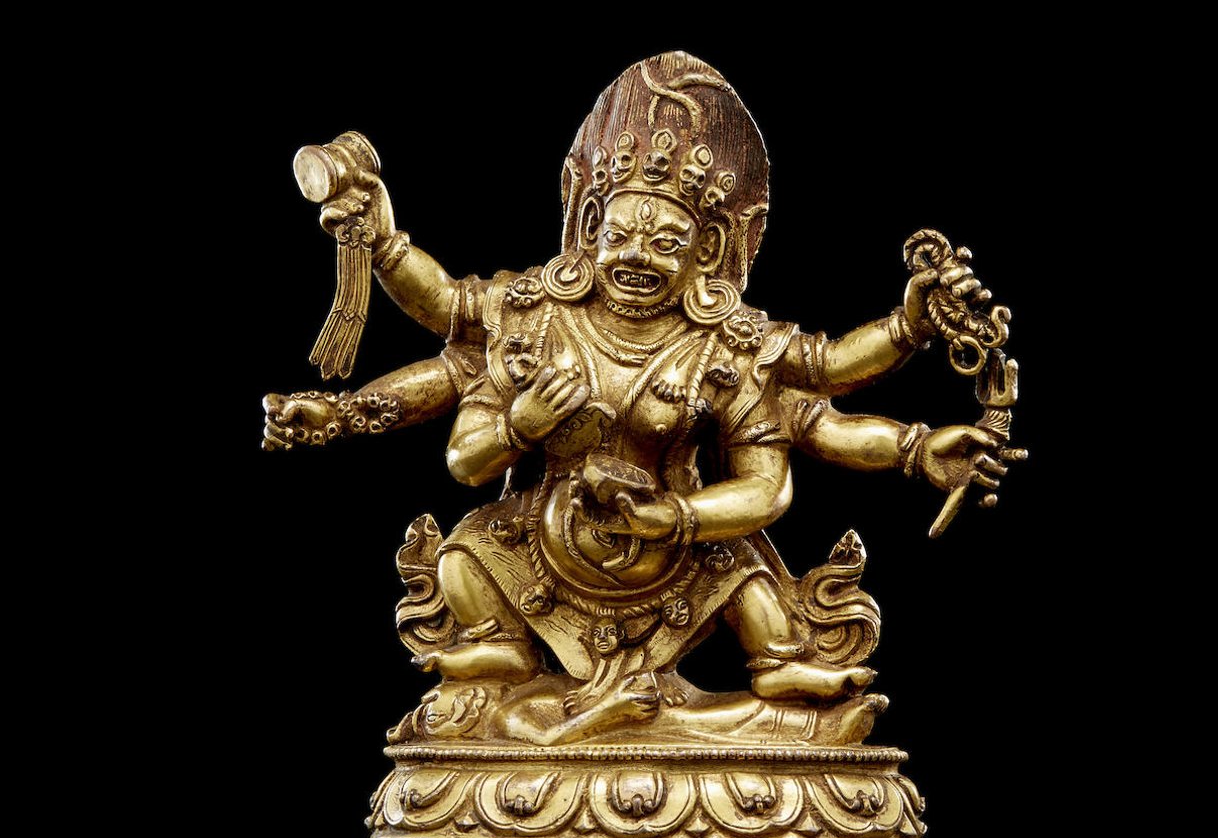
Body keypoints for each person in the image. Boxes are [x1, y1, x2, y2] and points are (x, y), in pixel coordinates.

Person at [263, 52, 1015, 745]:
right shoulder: (537, 319)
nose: (637, 256)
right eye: (621, 234)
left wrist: (913, 367)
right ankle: (514, 665)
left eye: (666, 243)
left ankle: (762, 677)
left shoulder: (724, 345)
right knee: (466, 554)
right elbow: (447, 319)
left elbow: (816, 400)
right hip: (544, 543)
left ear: (708, 252)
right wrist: (382, 247)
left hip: (679, 552)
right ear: (590, 227)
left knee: (748, 581)